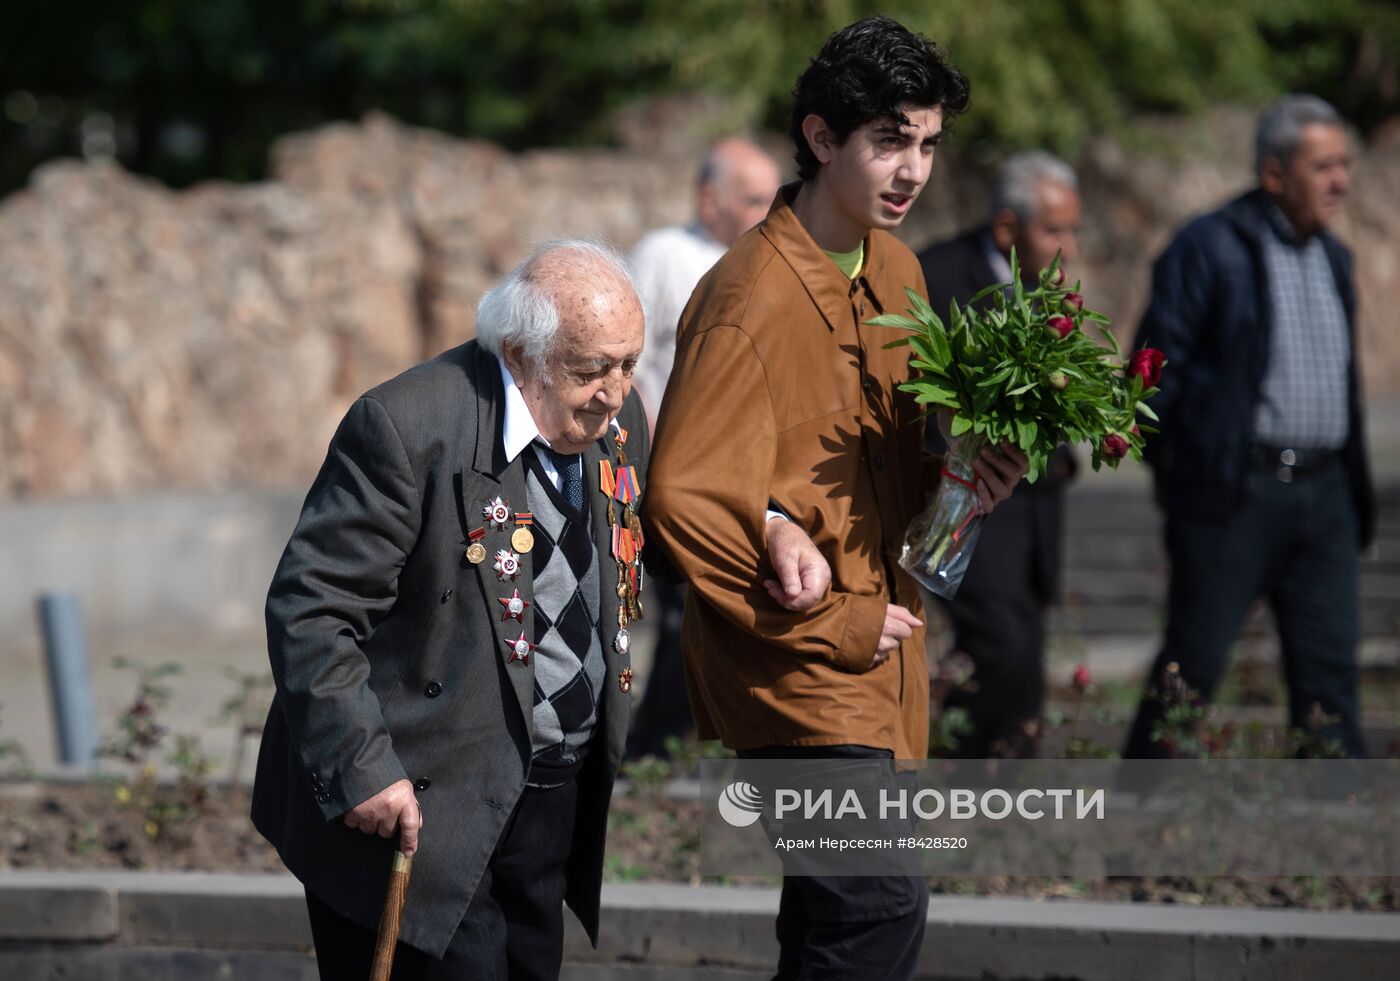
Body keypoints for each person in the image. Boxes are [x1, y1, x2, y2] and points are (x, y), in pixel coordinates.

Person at [645, 16, 1028, 979]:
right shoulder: (746, 298)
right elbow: (685, 498)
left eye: (929, 144)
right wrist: (831, 613)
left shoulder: (900, 271)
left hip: (886, 655)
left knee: (833, 917)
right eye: (889, 139)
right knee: (878, 900)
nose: (914, 170)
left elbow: (903, 461)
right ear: (820, 138)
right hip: (794, 663)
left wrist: (971, 477)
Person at [252, 240, 652, 980]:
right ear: (519, 352)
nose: (616, 391)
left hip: (545, 802)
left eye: (629, 362)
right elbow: (312, 608)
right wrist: (362, 767)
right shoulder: (407, 426)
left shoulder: (620, 427)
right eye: (592, 367)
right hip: (419, 802)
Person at [1123, 95, 1375, 759]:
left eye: (1344, 164)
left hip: (1324, 500)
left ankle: (1337, 839)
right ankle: (1139, 832)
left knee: (1331, 680)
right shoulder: (1207, 247)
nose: (1341, 181)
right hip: (1234, 495)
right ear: (1273, 174)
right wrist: (1186, 484)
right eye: (1323, 167)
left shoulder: (1336, 258)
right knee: (1191, 669)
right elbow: (1148, 378)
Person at [916, 151, 1082, 757]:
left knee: (1025, 646)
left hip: (1034, 507)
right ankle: (970, 767)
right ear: (1008, 228)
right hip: (968, 503)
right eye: (1054, 230)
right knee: (998, 642)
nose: (1067, 246)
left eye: (1071, 230)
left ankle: (1010, 772)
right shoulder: (936, 274)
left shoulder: (1049, 293)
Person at [625, 137, 782, 760]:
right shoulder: (665, 255)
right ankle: (649, 754)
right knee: (682, 614)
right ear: (707, 197)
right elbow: (628, 365)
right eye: (752, 198)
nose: (766, 211)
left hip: (752, 480)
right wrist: (660, 455)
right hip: (676, 476)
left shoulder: (772, 264)